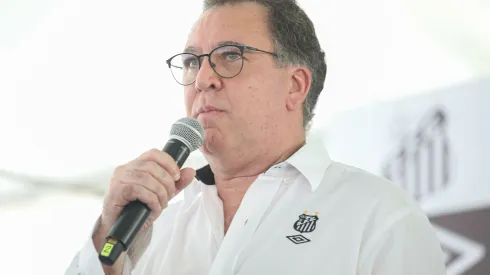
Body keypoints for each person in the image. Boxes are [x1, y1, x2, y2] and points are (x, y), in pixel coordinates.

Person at [65, 0, 446, 274]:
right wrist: (105, 240)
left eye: (231, 56)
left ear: (295, 86)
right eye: (192, 61)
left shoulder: (378, 214)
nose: (203, 79)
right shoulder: (152, 224)